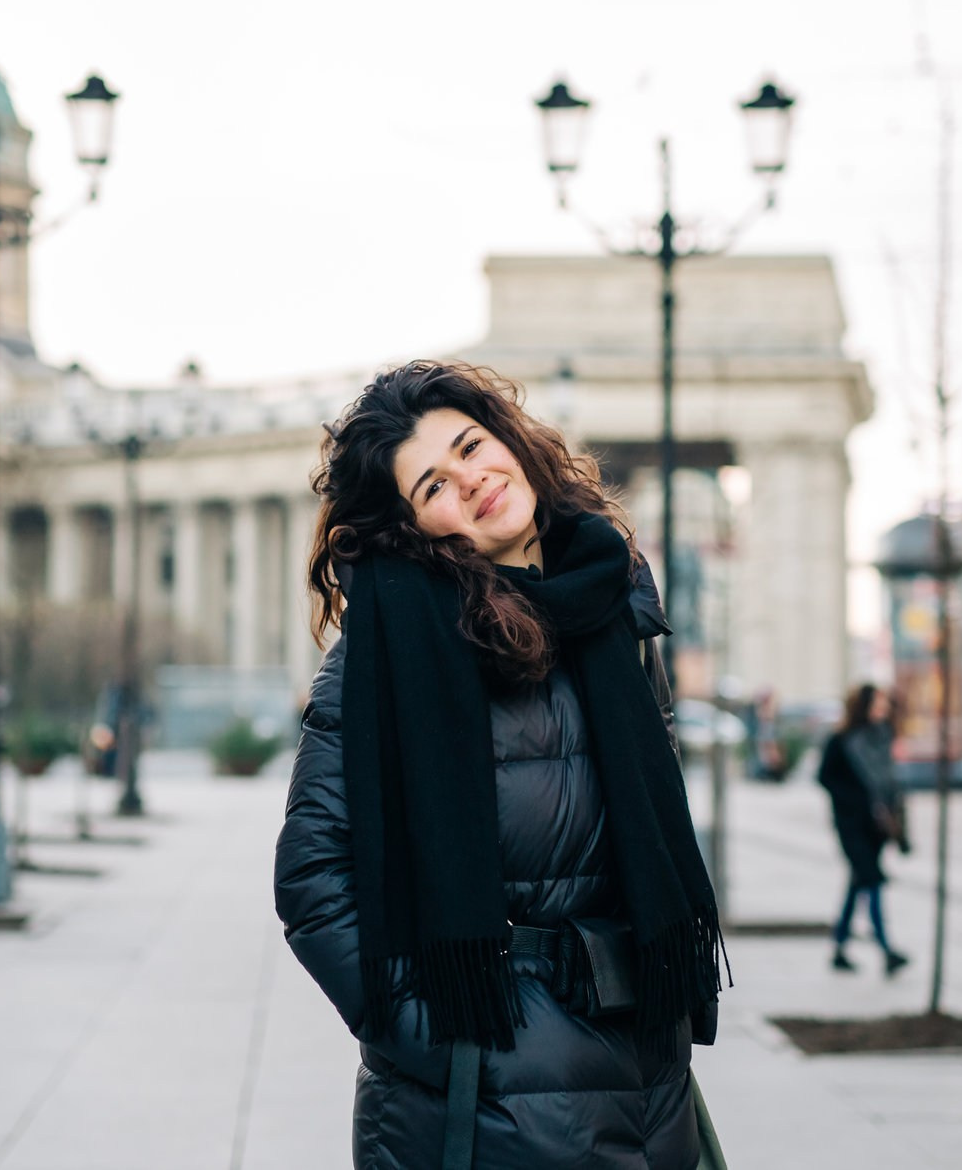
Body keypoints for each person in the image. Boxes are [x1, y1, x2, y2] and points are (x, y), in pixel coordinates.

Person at [275, 360, 728, 1170]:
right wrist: (449, 1047)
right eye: (434, 486)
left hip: (647, 1070)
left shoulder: (615, 605)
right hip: (484, 1096)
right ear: (416, 529)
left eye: (472, 445)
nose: (472, 479)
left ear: (510, 438)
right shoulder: (388, 651)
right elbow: (312, 882)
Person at [817, 683, 910, 977]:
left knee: (859, 882)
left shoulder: (882, 737)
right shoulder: (841, 741)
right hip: (852, 824)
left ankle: (840, 948)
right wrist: (855, 800)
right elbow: (825, 777)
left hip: (878, 826)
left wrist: (900, 826)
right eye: (876, 704)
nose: (880, 709)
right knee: (872, 880)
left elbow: (891, 784)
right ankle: (886, 949)